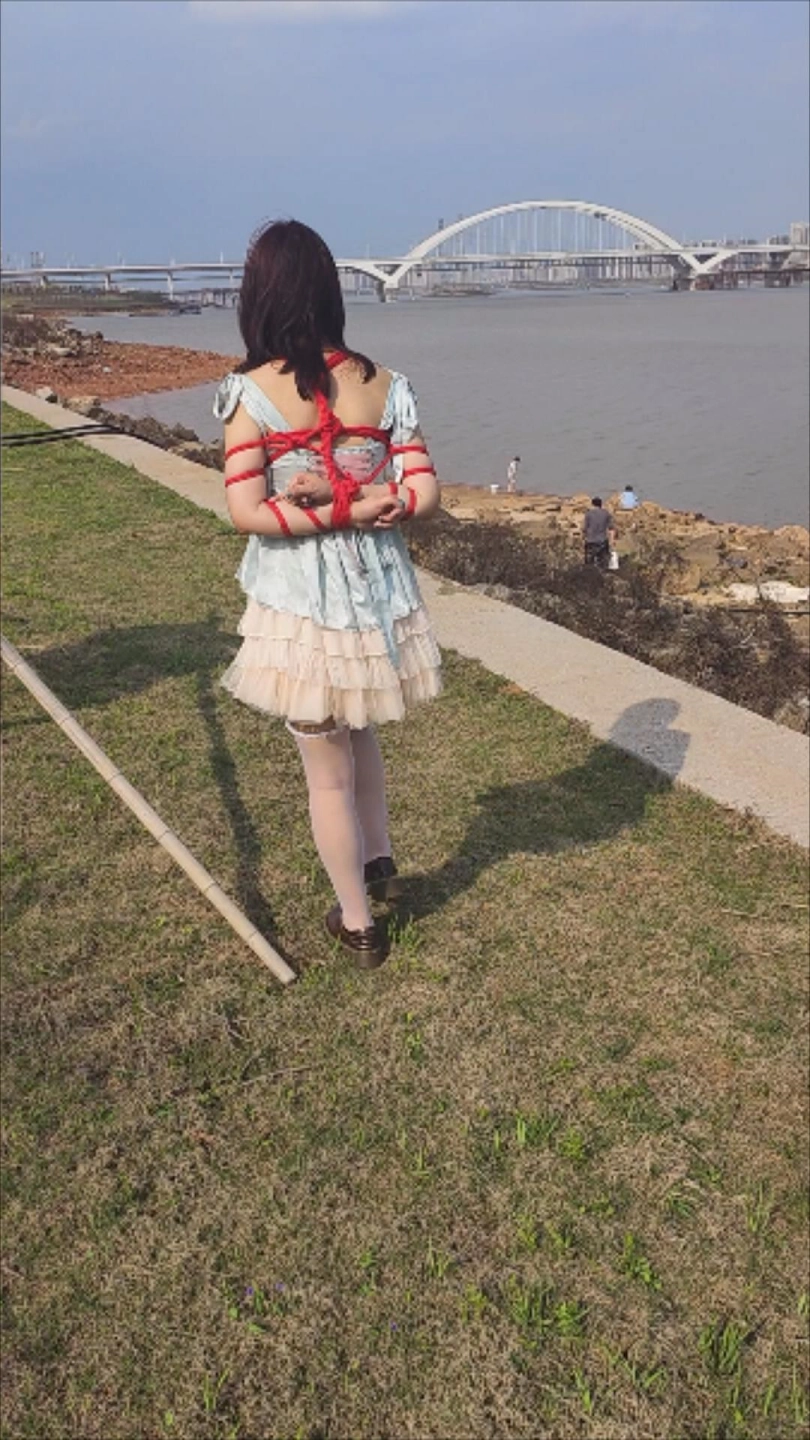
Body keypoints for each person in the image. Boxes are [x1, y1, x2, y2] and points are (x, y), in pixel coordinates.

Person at [214, 219, 442, 970]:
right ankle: (378, 860)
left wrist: (333, 505)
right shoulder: (385, 383)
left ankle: (359, 923)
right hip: (375, 594)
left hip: (303, 602)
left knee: (325, 767)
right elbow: (423, 495)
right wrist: (371, 499)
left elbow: (248, 512)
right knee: (360, 724)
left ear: (261, 294)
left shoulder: (252, 392)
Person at [582, 497, 617, 569]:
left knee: (589, 564)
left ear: (592, 504)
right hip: (602, 541)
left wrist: (583, 538)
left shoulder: (588, 514)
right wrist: (612, 540)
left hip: (590, 541)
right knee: (603, 563)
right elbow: (611, 529)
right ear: (601, 504)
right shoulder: (606, 513)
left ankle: (591, 574)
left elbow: (585, 529)